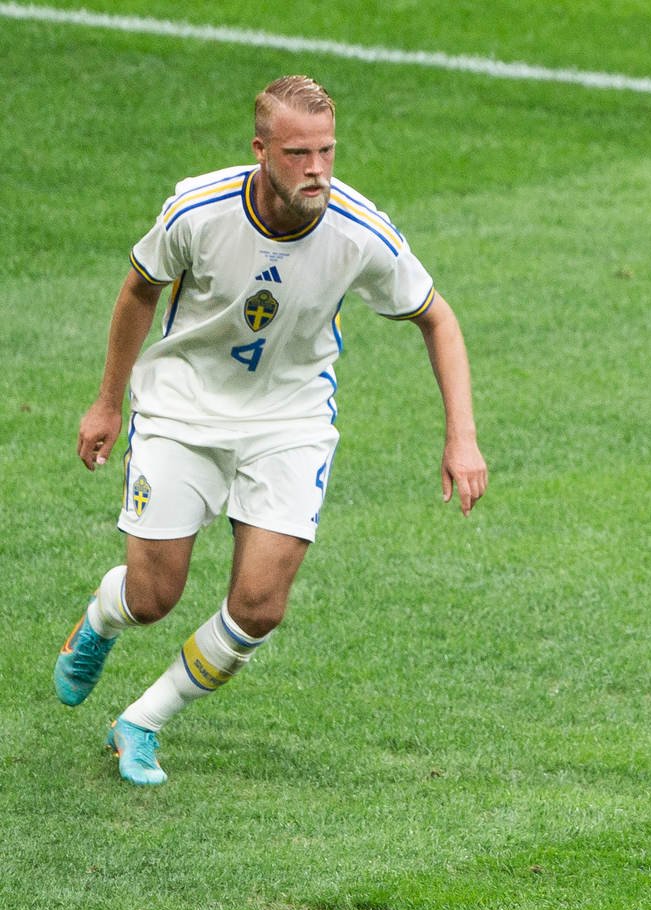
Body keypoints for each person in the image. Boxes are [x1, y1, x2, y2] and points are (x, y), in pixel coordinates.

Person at [56, 75, 488, 785]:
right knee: (153, 596)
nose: (317, 169)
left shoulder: (359, 230)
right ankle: (103, 618)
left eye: (327, 151)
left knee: (259, 607)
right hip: (183, 410)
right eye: (298, 154)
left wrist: (461, 437)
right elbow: (139, 289)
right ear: (261, 151)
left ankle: (141, 723)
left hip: (290, 419)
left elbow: (437, 317)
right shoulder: (199, 210)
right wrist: (107, 404)